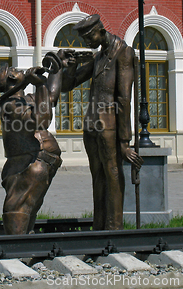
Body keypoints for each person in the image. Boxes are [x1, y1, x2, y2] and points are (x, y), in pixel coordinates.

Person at [58, 14, 143, 230]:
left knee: (113, 173)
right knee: (97, 175)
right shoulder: (99, 57)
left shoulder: (122, 53)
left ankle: (114, 228)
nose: (87, 43)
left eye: (89, 38)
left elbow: (124, 98)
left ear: (101, 32)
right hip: (92, 124)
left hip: (110, 125)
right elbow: (70, 84)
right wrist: (70, 66)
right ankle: (99, 226)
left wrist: (124, 140)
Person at [0, 61, 63, 235]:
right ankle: (15, 249)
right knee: (18, 206)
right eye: (13, 70)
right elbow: (41, 120)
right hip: (27, 165)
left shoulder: (27, 99)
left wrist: (57, 66)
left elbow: (50, 97)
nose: (18, 69)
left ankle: (24, 244)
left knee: (29, 205)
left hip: (41, 162)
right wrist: (39, 84)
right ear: (10, 78)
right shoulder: (11, 105)